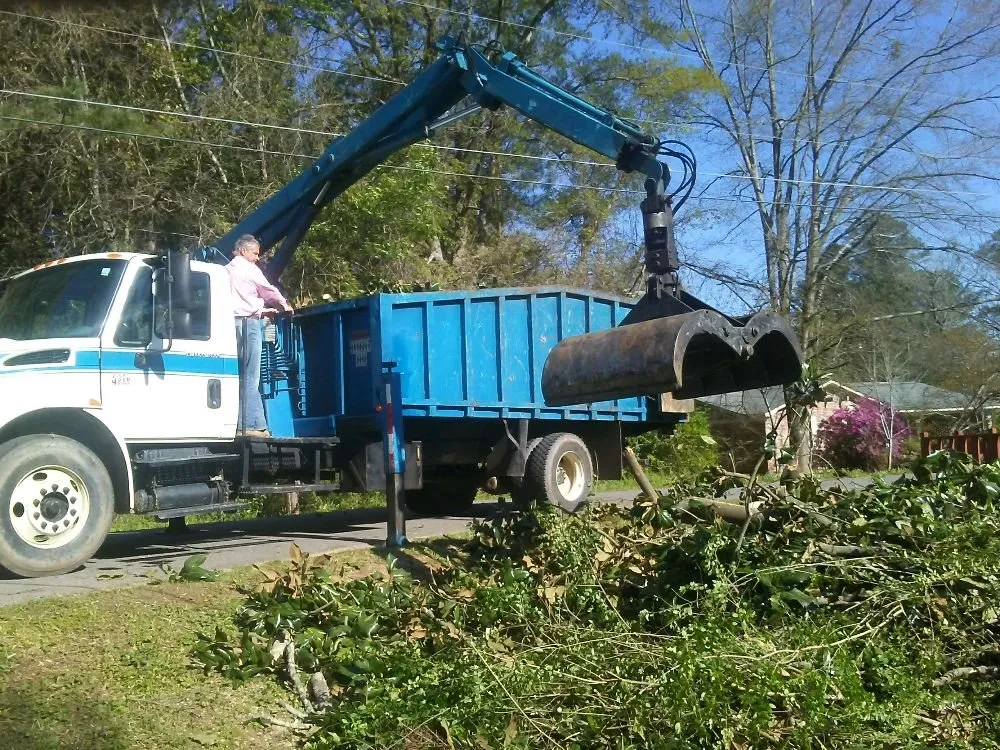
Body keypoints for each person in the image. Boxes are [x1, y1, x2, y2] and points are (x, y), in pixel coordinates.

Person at [226, 234, 294, 437]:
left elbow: (238, 302)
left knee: (238, 375)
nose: (257, 258)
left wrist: (263, 311)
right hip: (249, 325)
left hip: (230, 325)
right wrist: (284, 306)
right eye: (255, 253)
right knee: (251, 375)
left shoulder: (225, 270)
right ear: (244, 250)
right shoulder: (248, 269)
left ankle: (248, 422)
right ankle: (250, 425)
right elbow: (268, 291)